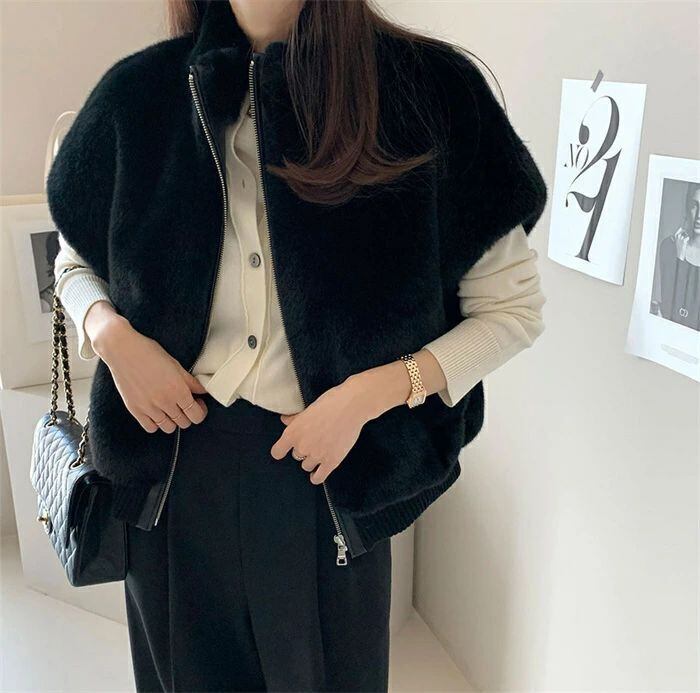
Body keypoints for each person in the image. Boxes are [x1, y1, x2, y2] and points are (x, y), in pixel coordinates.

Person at [48, 1, 548, 690]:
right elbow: (74, 259)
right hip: (170, 475)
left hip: (327, 471)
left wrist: (370, 395)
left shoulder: (428, 90)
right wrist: (112, 336)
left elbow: (512, 309)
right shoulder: (139, 95)